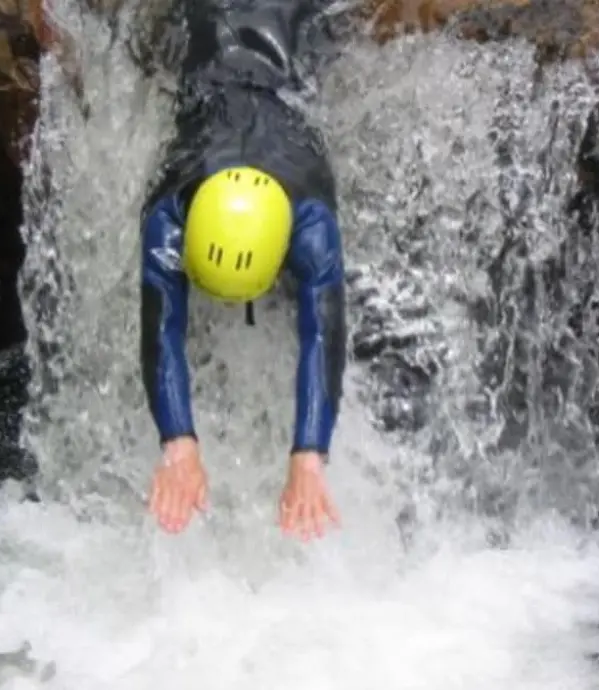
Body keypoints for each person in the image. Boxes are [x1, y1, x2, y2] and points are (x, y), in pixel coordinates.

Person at [138, 0, 345, 541]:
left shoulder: (312, 223)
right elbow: (160, 327)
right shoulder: (169, 213)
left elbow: (324, 332)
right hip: (211, 46)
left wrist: (309, 456)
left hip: (288, 55)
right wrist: (178, 445)